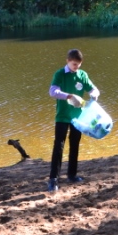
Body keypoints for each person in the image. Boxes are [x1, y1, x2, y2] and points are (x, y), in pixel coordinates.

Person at [47, 48, 100, 192]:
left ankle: (72, 174)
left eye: (78, 64)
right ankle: (53, 179)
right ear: (68, 61)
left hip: (78, 117)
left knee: (75, 144)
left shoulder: (82, 75)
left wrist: (94, 95)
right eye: (74, 64)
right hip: (63, 116)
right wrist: (69, 96)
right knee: (59, 146)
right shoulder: (60, 74)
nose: (76, 67)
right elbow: (52, 92)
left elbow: (94, 89)